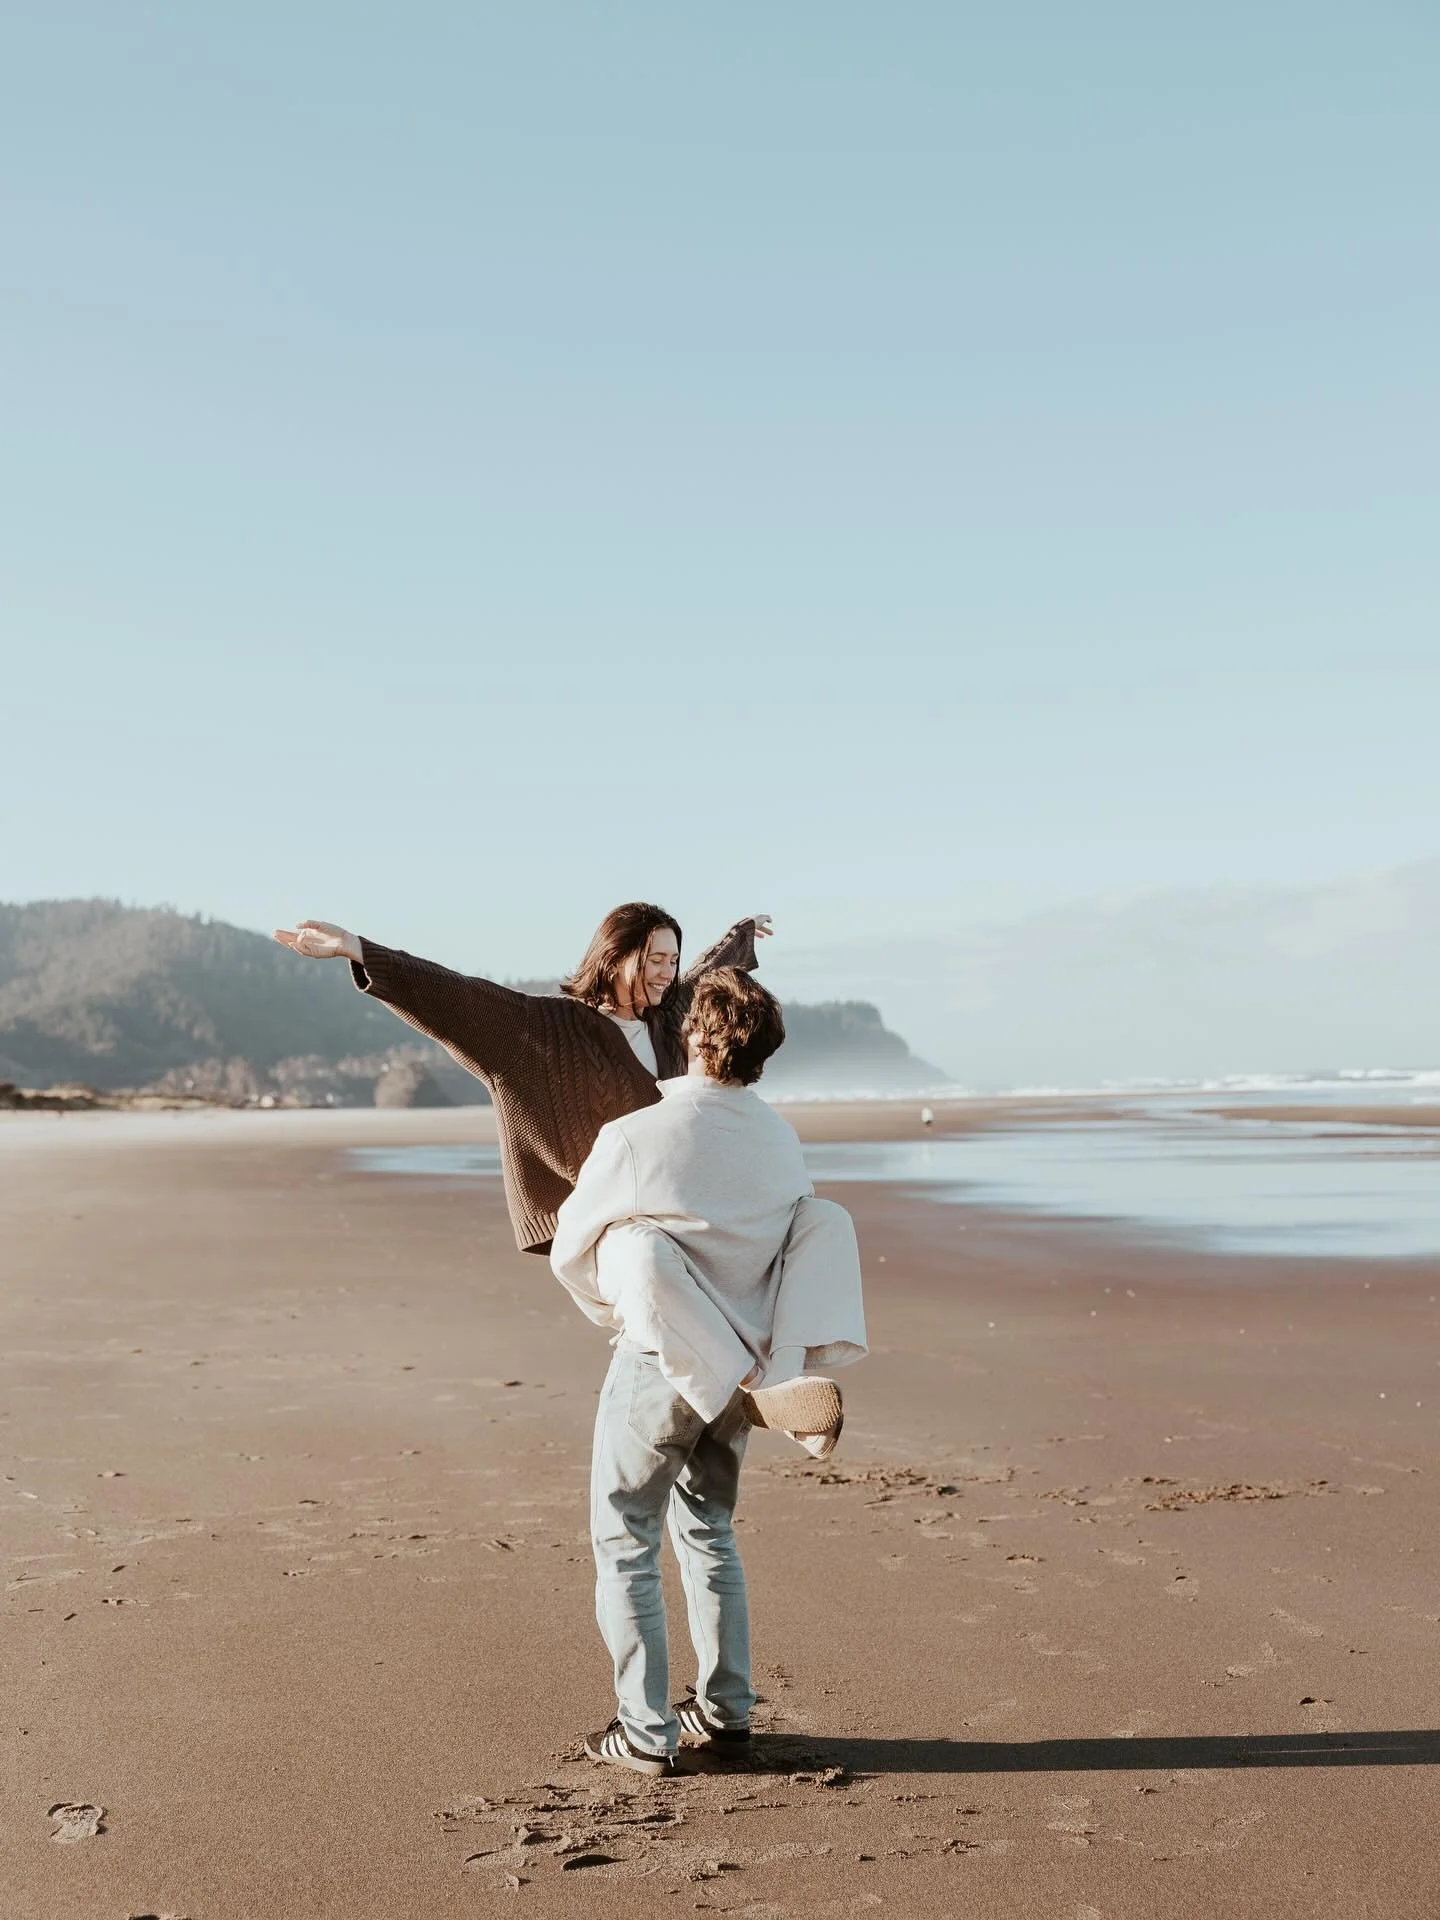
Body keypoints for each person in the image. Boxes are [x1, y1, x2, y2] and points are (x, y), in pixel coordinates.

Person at [549, 968, 867, 1776]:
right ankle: (725, 1713)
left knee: (625, 1538)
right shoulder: (779, 1141)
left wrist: (619, 1317)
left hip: (660, 1366)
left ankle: (645, 1729)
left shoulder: (636, 1136)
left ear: (694, 1036)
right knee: (709, 1534)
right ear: (764, 1054)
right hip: (749, 1381)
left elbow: (571, 1253)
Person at [273, 904, 769, 1254]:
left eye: (672, 959)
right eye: (655, 960)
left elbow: (709, 972)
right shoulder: (541, 1030)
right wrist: (356, 949)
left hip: (672, 1208)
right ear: (615, 958)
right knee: (660, 1294)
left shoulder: (671, 1017)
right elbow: (454, 995)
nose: (667, 972)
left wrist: (741, 935)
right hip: (601, 1222)